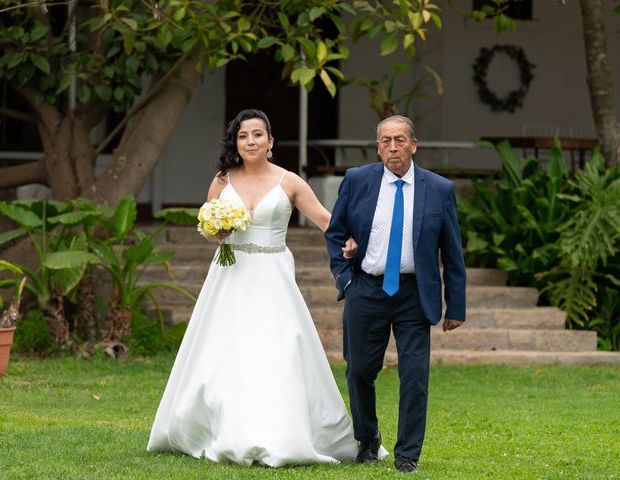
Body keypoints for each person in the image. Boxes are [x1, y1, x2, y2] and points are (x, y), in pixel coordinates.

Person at [147, 109, 377, 467]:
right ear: (235, 143)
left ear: (270, 142)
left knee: (277, 347)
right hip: (229, 275)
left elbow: (325, 219)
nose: (250, 141)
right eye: (243, 136)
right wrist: (216, 232)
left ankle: (281, 430)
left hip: (272, 275)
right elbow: (208, 226)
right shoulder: (222, 180)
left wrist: (351, 241)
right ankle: (219, 426)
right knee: (224, 349)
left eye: (257, 135)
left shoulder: (290, 182)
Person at [324, 115, 466, 473]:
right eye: (385, 141)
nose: (392, 147)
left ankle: (407, 454)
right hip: (367, 289)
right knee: (358, 370)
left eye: (400, 140)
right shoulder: (357, 181)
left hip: (415, 294)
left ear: (413, 145)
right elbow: (335, 232)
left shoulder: (439, 189)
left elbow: (452, 253)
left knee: (415, 376)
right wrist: (345, 278)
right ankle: (367, 438)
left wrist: (456, 305)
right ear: (377, 147)